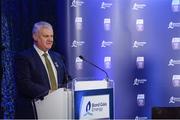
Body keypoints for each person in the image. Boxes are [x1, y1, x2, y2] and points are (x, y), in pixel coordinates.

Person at [15, 21, 69, 119]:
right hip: (33, 112)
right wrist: (50, 93)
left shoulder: (57, 56)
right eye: (46, 36)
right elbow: (24, 84)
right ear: (35, 36)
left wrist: (64, 90)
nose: (50, 39)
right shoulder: (24, 57)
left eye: (52, 36)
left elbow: (67, 79)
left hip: (58, 110)